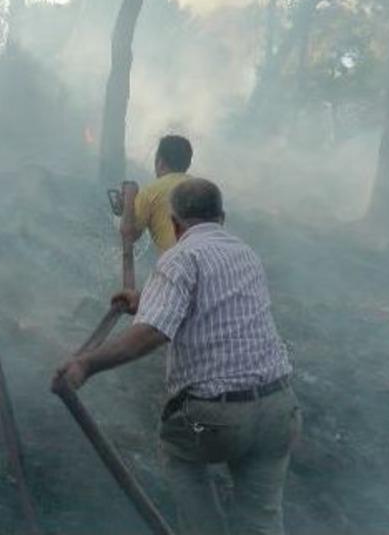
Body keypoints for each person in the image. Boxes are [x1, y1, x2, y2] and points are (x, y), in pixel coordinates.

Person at [55, 178, 302, 535]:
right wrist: (149, 299)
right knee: (260, 518)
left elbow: (152, 333)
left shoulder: (180, 257)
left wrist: (86, 363)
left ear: (174, 223)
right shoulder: (245, 253)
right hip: (279, 413)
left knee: (179, 450)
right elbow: (214, 304)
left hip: (215, 422)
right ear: (223, 218)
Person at [122, 134, 193, 253]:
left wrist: (128, 203)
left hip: (177, 266)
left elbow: (129, 236)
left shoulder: (150, 192)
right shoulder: (205, 189)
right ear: (187, 164)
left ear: (159, 162)